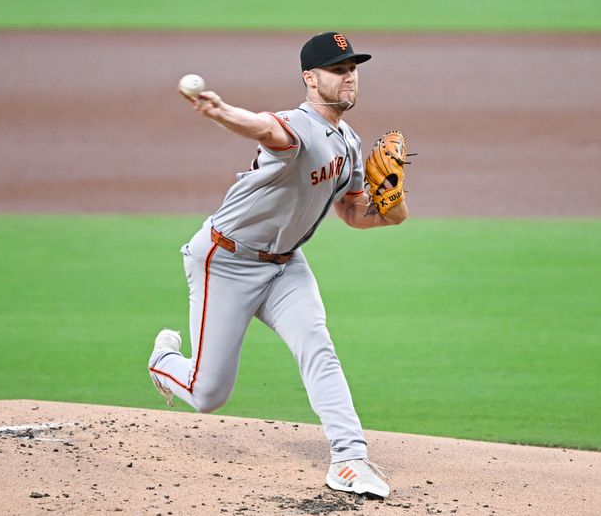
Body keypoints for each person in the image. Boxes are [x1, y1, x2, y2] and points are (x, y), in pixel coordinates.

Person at [147, 31, 408, 500]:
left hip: (286, 265)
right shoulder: (298, 127)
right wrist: (222, 111)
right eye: (337, 70)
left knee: (318, 347)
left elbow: (353, 212)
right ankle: (165, 360)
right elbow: (266, 128)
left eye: (352, 69)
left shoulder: (349, 142)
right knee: (209, 396)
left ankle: (349, 460)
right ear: (310, 78)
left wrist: (393, 207)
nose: (348, 77)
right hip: (226, 261)